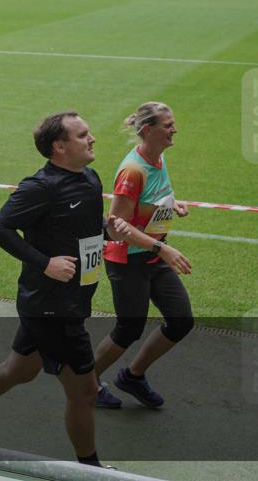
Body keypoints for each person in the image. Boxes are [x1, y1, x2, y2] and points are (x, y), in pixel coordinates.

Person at [0, 111, 129, 466]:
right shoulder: (39, 188)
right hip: (52, 306)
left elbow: (82, 228)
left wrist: (107, 230)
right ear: (59, 147)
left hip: (70, 298)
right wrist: (46, 263)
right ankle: (89, 470)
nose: (92, 139)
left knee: (19, 370)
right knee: (85, 392)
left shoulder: (89, 178)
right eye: (83, 134)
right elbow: (0, 229)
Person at [93, 102, 193, 410]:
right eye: (167, 125)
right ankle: (85, 385)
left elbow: (157, 193)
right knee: (129, 328)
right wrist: (163, 248)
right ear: (148, 130)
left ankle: (133, 376)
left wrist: (171, 205)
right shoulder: (132, 171)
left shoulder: (157, 157)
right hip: (129, 260)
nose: (174, 129)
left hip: (152, 255)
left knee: (180, 321)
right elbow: (116, 228)